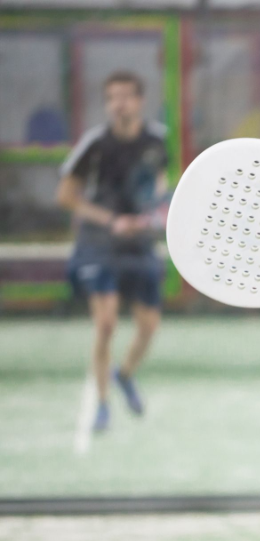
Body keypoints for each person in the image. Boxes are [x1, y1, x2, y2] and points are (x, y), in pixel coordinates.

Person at [57, 71, 169, 433]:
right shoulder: (94, 143)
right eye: (112, 98)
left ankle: (124, 375)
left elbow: (162, 186)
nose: (118, 104)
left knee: (149, 327)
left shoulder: (157, 141)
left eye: (125, 96)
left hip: (138, 244)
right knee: (105, 325)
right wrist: (111, 221)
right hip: (98, 244)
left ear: (139, 101)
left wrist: (153, 215)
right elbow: (66, 197)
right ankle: (103, 405)